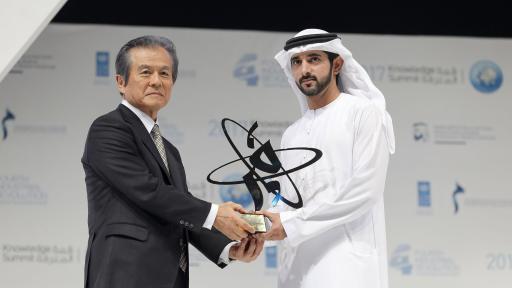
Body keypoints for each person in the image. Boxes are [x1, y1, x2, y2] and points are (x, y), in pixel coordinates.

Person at [81, 35, 263, 288]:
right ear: (121, 82)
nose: (157, 81)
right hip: (124, 274)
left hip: (171, 278)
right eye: (146, 72)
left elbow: (180, 211)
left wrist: (229, 248)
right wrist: (215, 213)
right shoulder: (108, 129)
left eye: (165, 74)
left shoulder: (170, 150)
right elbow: (148, 192)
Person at [259, 29, 396, 288]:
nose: (304, 70)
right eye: (297, 62)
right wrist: (263, 223)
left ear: (337, 64)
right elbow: (282, 197)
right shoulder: (291, 134)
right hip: (295, 268)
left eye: (314, 59)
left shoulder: (363, 114)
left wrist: (292, 224)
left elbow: (365, 191)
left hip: (346, 265)